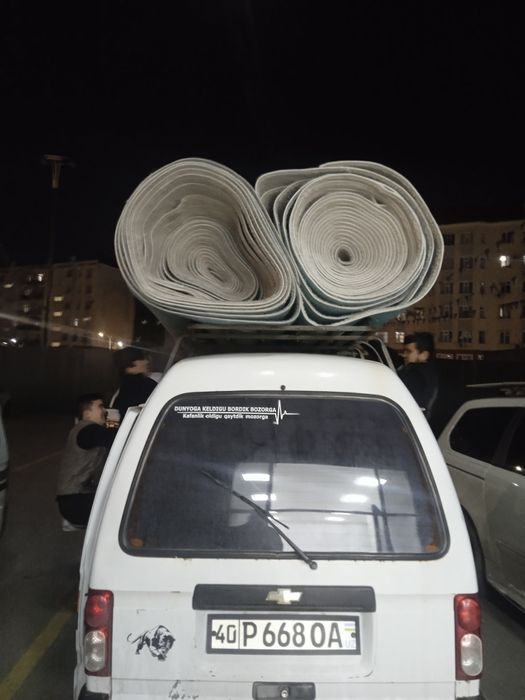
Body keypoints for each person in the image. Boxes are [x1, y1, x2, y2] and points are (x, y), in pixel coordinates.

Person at [56, 394, 117, 529]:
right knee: (128, 508)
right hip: (76, 502)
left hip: (75, 498)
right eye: (100, 407)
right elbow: (117, 439)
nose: (105, 411)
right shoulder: (88, 430)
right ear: (87, 414)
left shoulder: (85, 430)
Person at [397, 332, 438, 418]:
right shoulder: (432, 372)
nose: (404, 355)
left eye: (408, 351)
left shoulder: (413, 374)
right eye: (404, 351)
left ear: (424, 355)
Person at [111, 347, 158, 421]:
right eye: (142, 359)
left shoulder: (121, 389)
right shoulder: (148, 386)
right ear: (132, 363)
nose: (146, 362)